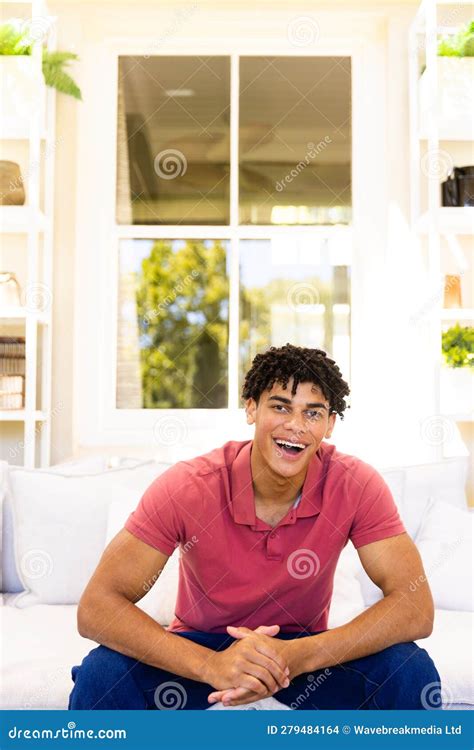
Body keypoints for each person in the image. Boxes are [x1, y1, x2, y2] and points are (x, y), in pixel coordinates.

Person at [68, 344, 441, 710]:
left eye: (313, 413)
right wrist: (212, 665)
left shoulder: (355, 483)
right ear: (251, 408)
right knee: (102, 672)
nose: (295, 426)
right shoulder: (188, 485)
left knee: (408, 669)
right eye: (280, 407)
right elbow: (97, 607)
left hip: (304, 654)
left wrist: (297, 656)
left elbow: (415, 607)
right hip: (200, 651)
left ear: (329, 424)